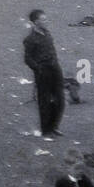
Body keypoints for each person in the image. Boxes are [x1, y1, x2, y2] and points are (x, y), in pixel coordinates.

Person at [23, 8, 65, 138]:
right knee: (45, 101)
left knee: (60, 100)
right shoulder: (30, 39)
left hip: (55, 68)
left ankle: (54, 126)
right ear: (36, 22)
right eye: (43, 19)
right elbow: (27, 58)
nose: (46, 21)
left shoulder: (47, 33)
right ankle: (46, 129)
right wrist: (38, 69)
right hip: (43, 71)